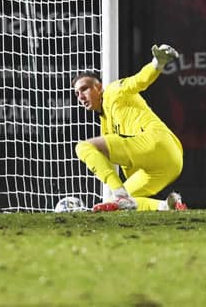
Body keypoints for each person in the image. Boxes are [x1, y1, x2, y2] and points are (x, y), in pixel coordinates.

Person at [72, 44, 188, 212]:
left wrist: (157, 64)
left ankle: (120, 195)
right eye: (77, 94)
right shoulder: (106, 125)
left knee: (83, 147)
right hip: (172, 163)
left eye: (84, 89)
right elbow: (127, 161)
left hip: (155, 142)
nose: (81, 97)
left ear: (99, 87)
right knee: (119, 203)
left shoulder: (113, 91)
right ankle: (168, 206)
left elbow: (138, 81)